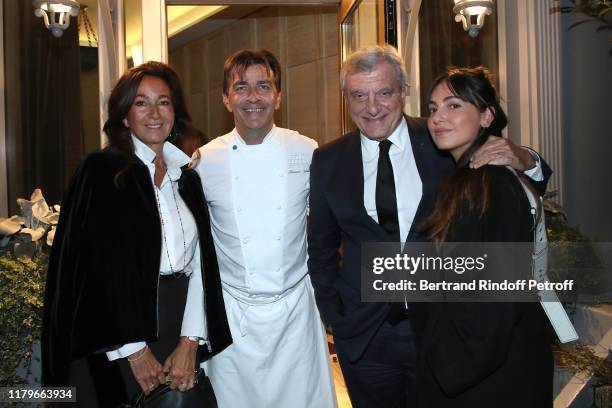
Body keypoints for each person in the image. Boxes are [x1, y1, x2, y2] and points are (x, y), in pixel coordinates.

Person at [307, 44, 551, 407]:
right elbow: (321, 250)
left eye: (384, 92)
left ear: (403, 92)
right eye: (359, 95)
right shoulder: (328, 160)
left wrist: (524, 157)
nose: (371, 107)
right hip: (365, 338)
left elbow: (519, 188)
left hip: (442, 332)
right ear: (347, 99)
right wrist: (336, 318)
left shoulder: (441, 139)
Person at [41, 61, 232, 407]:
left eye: (164, 101)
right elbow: (87, 273)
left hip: (177, 323)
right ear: (124, 116)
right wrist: (133, 349)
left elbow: (202, 264)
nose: (154, 113)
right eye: (141, 102)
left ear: (175, 111)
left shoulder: (187, 177)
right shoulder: (99, 172)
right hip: (112, 338)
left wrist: (190, 339)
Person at [192, 49, 336, 407]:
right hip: (233, 318)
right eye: (241, 88)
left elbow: (330, 225)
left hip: (295, 315)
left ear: (278, 96)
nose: (253, 97)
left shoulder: (307, 151)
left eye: (263, 86)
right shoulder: (204, 160)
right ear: (226, 99)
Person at [416, 66, 553, 407]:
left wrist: (445, 363)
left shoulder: (488, 182)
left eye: (453, 105)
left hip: (485, 374)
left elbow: (493, 298)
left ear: (487, 115)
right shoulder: (472, 175)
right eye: (433, 109)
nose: (438, 118)